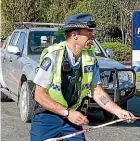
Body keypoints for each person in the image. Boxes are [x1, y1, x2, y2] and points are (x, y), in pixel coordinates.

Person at [30, 13, 136, 141]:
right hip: (47, 117)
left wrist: (119, 112)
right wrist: (67, 113)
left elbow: (97, 92)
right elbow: (39, 95)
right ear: (75, 35)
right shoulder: (52, 56)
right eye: (89, 33)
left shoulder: (90, 58)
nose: (93, 36)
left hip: (73, 118)